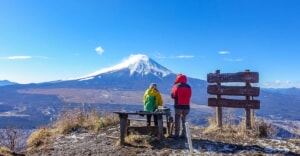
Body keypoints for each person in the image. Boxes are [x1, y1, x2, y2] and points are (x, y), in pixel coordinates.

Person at [171, 74, 192, 139]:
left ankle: (176, 135)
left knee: (177, 120)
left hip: (178, 106)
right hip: (186, 107)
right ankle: (184, 134)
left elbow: (173, 96)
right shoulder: (188, 86)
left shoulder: (176, 86)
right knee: (184, 120)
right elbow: (190, 96)